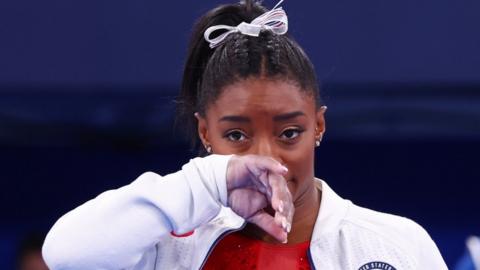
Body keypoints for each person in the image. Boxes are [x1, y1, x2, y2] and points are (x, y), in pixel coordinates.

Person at [42, 0, 448, 269]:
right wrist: (208, 181)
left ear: (319, 126)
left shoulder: (394, 244)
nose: (265, 158)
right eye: (236, 136)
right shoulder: (170, 244)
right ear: (205, 132)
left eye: (290, 132)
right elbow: (65, 254)